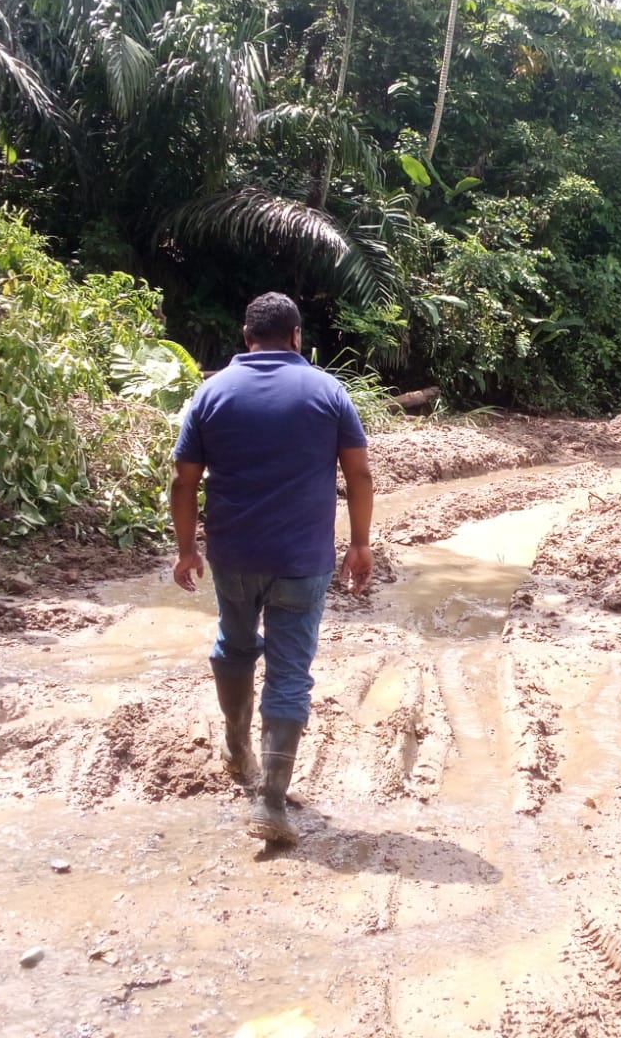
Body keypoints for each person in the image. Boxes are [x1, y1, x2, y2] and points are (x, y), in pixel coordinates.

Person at [170, 292, 374, 845]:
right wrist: (360, 544)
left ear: (246, 336)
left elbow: (184, 481)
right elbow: (358, 475)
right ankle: (271, 800)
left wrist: (186, 548)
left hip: (233, 555)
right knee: (289, 673)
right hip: (302, 561)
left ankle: (238, 750)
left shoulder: (212, 392)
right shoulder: (328, 392)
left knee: (234, 645)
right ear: (296, 336)